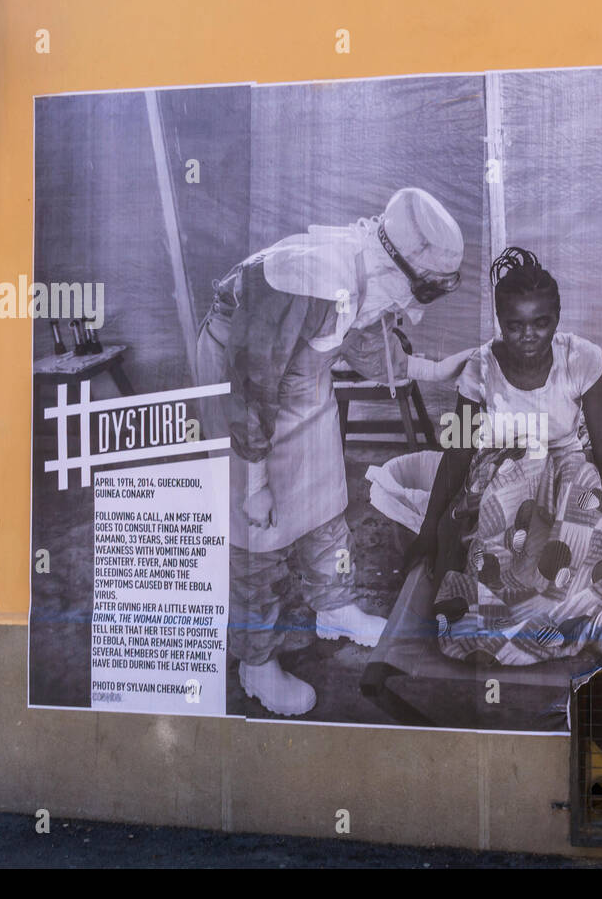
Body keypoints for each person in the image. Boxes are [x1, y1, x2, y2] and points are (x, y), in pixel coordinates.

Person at [197, 187, 467, 716]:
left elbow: (365, 342)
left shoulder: (368, 273)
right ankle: (255, 660)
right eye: (419, 294)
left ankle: (334, 607)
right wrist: (254, 481)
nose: (411, 309)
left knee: (324, 495)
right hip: (244, 385)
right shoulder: (310, 275)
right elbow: (252, 381)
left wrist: (435, 370)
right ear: (398, 269)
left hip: (301, 376)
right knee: (259, 528)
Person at [407, 247, 602, 666]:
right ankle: (513, 630)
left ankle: (589, 619)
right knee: (502, 543)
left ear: (557, 317)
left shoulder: (581, 358)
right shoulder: (482, 368)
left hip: (564, 464)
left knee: (588, 519)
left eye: (541, 323)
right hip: (505, 466)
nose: (529, 335)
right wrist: (429, 527)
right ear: (499, 322)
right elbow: (458, 452)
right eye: (515, 325)